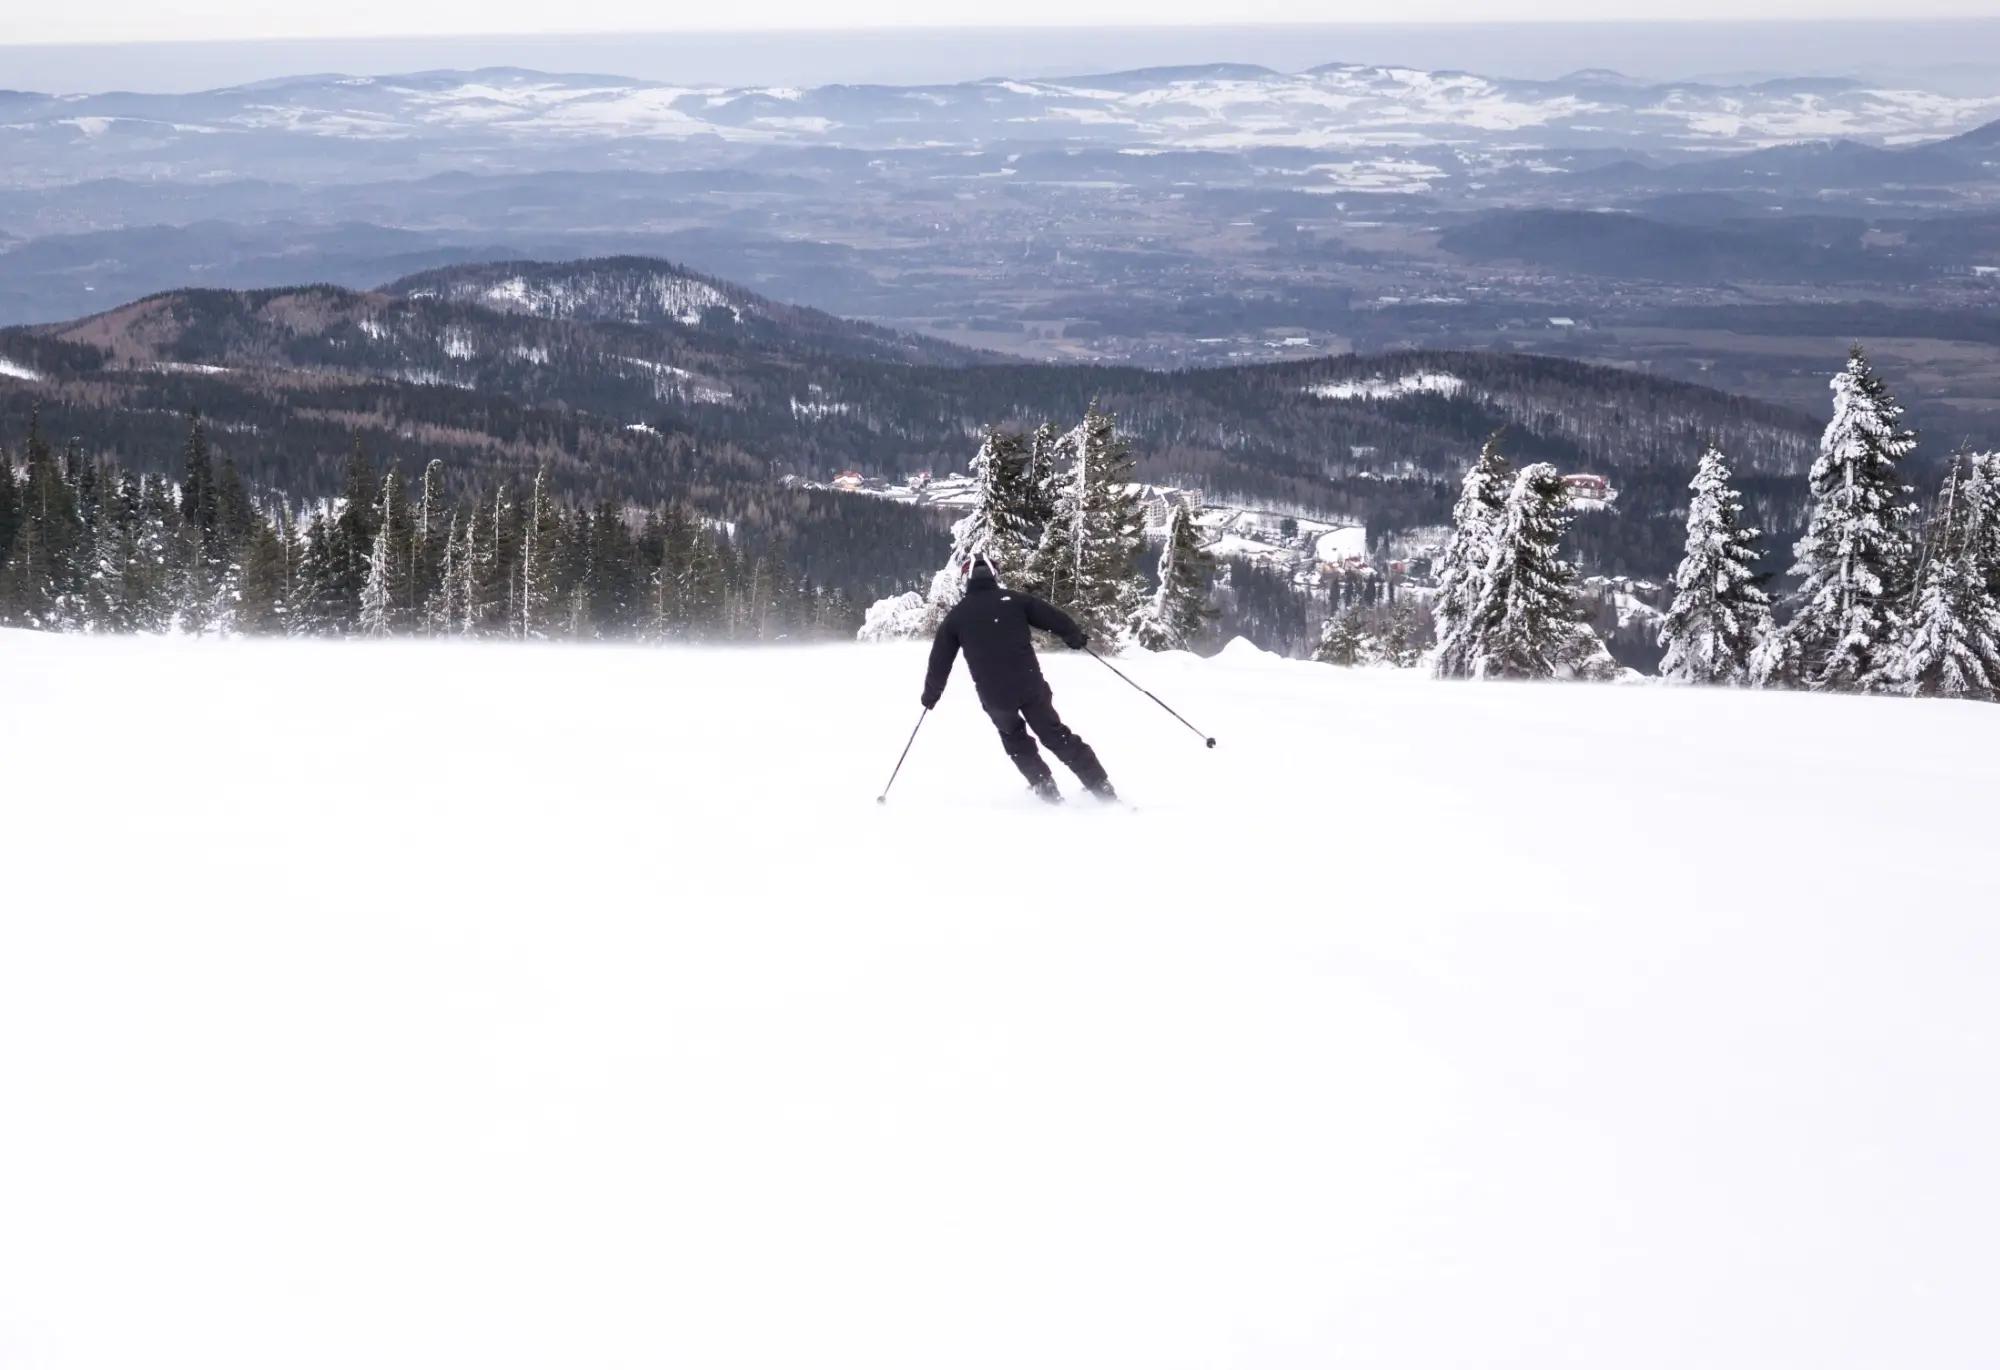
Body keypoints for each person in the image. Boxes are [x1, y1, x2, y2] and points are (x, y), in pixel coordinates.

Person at [921, 555, 1117, 804]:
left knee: (1014, 738)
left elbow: (939, 662)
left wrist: (931, 695)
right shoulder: (1015, 601)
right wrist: (1073, 635)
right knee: (1055, 734)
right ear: (995, 575)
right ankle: (1100, 785)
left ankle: (1044, 787)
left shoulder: (957, 616)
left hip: (994, 695)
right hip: (1030, 685)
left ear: (965, 580)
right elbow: (1053, 617)